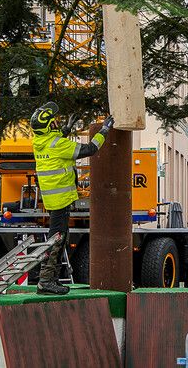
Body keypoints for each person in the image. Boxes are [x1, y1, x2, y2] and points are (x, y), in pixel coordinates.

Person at [31, 101, 114, 295]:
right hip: (61, 199)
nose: (56, 124)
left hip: (53, 200)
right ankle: (45, 280)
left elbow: (56, 141)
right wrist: (104, 130)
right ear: (49, 125)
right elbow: (91, 149)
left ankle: (51, 279)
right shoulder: (58, 145)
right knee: (57, 240)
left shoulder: (39, 142)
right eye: (54, 121)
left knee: (59, 239)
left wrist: (68, 128)